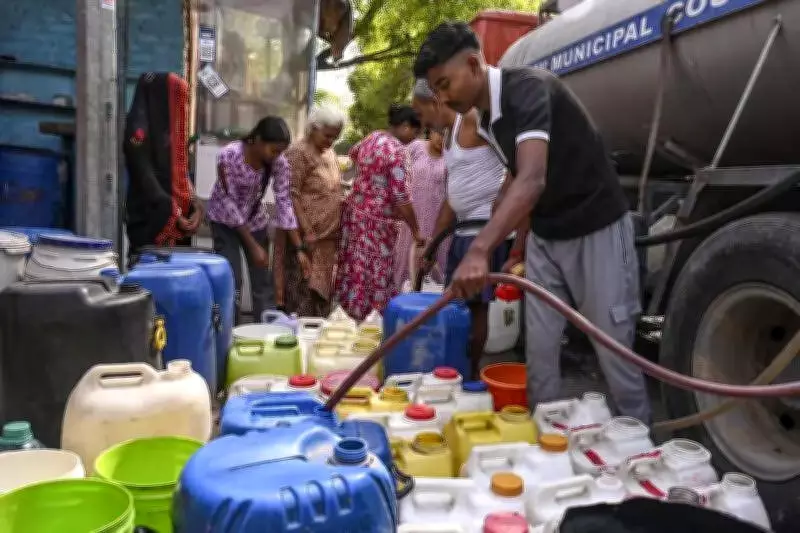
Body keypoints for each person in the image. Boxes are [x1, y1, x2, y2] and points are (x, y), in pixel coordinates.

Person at [414, 22, 651, 423]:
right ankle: (546, 440)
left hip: (596, 225)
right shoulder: (487, 119)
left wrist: (479, 249)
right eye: (435, 89)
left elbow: (533, 178)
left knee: (613, 347)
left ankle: (642, 446)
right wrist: (516, 246)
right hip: (546, 234)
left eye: (444, 84)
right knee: (539, 350)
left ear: (473, 64)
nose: (442, 97)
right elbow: (513, 180)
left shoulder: (527, 89)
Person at [413, 78, 513, 380]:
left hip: (482, 231)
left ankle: (469, 375)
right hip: (462, 230)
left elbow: (516, 163)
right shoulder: (448, 137)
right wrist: (432, 245)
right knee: (456, 306)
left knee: (474, 309)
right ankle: (454, 368)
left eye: (421, 113)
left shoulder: (472, 120)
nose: (422, 122)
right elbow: (450, 199)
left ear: (435, 101)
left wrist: (501, 209)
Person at [207, 116, 308, 324]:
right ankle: (229, 332)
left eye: (280, 151)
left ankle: (266, 331)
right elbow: (229, 202)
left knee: (263, 281)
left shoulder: (278, 163)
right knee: (232, 279)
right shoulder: (229, 157)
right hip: (224, 221)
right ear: (258, 139)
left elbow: (284, 201)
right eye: (274, 150)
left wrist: (299, 248)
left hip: (254, 220)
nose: (277, 156)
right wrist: (252, 246)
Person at [336, 104, 425, 321]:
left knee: (354, 268)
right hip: (377, 224)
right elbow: (401, 197)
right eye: (416, 132)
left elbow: (353, 155)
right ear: (405, 126)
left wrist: (368, 180)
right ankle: (372, 320)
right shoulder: (396, 152)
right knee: (376, 272)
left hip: (355, 215)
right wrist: (416, 230)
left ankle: (349, 316)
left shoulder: (371, 138)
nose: (415, 138)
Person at [124, 72, 203, 264]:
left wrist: (195, 206)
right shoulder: (137, 138)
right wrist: (172, 211)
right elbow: (146, 179)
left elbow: (181, 174)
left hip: (180, 229)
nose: (181, 109)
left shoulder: (173, 136)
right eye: (176, 101)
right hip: (148, 223)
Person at [282, 106, 346, 317]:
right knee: (303, 299)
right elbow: (291, 195)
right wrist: (307, 230)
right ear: (313, 128)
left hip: (326, 242)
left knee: (321, 302)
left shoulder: (328, 152)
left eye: (335, 137)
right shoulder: (298, 153)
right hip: (306, 240)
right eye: (327, 135)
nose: (331, 141)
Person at [392, 127, 448, 292]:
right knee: (405, 263)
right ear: (431, 132)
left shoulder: (452, 158)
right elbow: (397, 168)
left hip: (436, 222)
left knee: (432, 266)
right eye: (439, 133)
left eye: (447, 136)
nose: (442, 139)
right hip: (411, 221)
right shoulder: (416, 148)